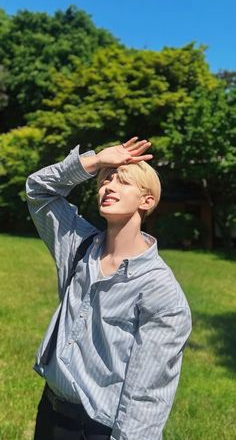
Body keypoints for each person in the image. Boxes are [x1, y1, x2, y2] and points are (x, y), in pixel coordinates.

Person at [26, 136, 192, 440]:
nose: (109, 186)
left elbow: (147, 394)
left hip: (101, 429)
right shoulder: (78, 245)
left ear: (147, 201)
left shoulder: (160, 290)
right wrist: (95, 161)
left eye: (123, 182)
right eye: (105, 180)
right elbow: (38, 190)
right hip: (51, 414)